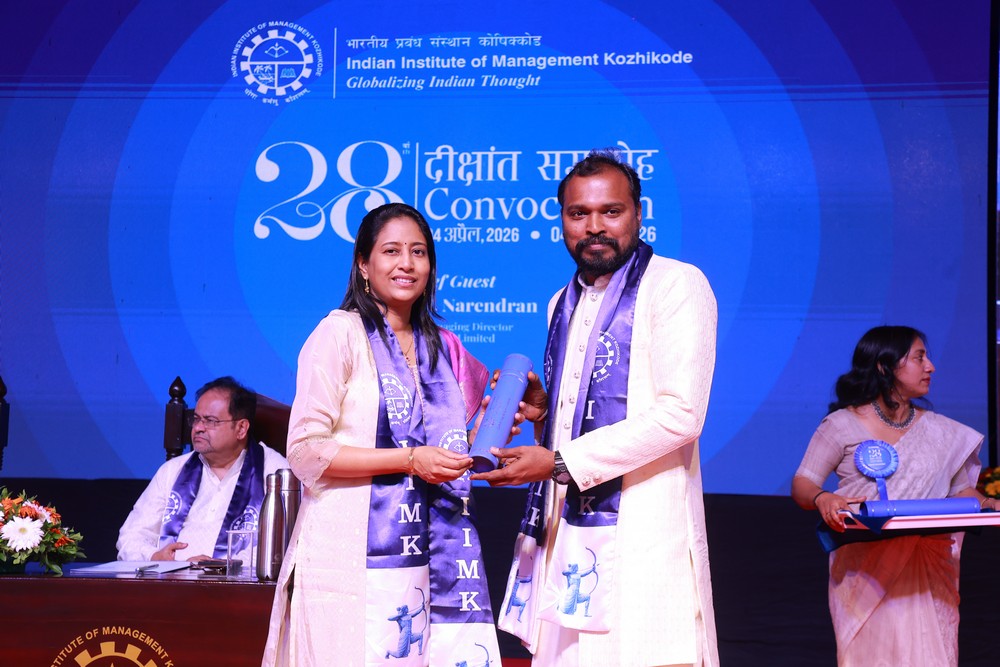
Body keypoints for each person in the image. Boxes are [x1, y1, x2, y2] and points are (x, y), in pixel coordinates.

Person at [473, 150, 720, 667]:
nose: (594, 227)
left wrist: (559, 462)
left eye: (611, 211)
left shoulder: (676, 284)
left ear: (638, 214)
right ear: (562, 220)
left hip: (644, 528)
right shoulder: (561, 301)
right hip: (568, 527)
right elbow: (583, 412)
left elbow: (681, 414)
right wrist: (545, 414)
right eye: (578, 213)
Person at [261, 203, 501, 667]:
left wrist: (491, 426)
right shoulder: (339, 334)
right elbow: (306, 452)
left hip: (428, 550)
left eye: (418, 252)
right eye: (391, 251)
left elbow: (447, 444)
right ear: (363, 265)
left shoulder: (444, 347)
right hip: (346, 554)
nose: (407, 263)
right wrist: (409, 461)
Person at [791, 325, 991, 666]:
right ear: (885, 366)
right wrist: (823, 498)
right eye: (919, 357)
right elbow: (803, 484)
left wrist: (987, 503)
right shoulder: (842, 425)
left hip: (928, 570)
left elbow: (962, 491)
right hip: (867, 572)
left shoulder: (940, 430)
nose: (930, 367)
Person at [117, 376, 289, 563]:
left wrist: (225, 567)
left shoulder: (275, 473)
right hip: (169, 578)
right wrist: (155, 558)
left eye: (210, 421)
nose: (198, 428)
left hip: (237, 580)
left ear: (241, 428)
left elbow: (282, 547)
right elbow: (131, 537)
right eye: (196, 419)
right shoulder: (172, 471)